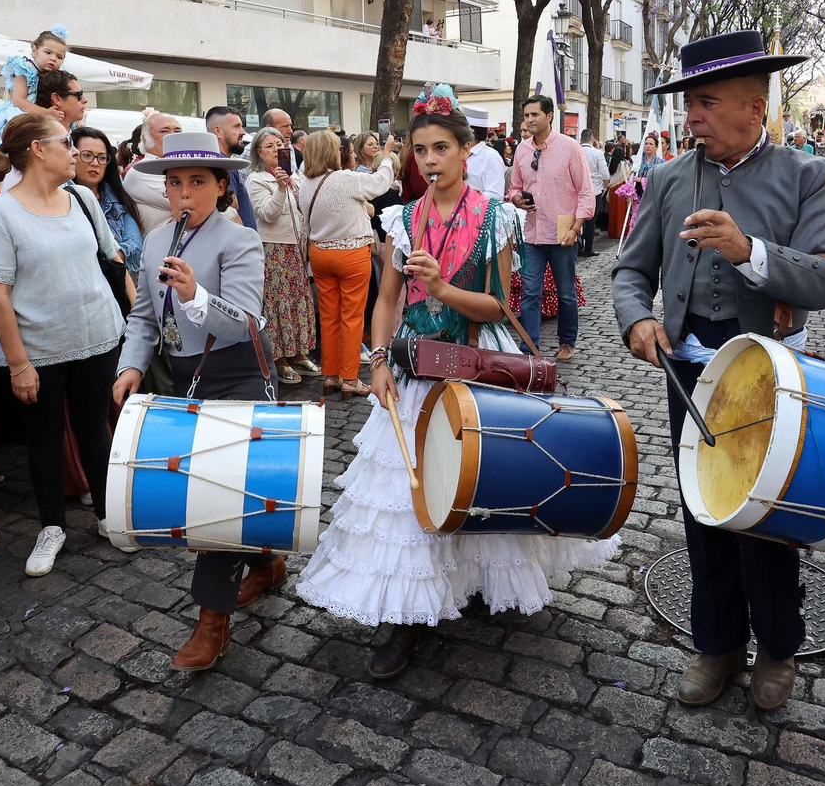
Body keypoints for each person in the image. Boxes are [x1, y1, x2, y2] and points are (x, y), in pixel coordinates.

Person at [298, 85, 617, 676]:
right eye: (419, 150)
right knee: (408, 488)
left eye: (441, 147)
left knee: (475, 476)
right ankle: (403, 617)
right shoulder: (402, 217)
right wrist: (375, 361)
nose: (429, 159)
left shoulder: (496, 217)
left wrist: (444, 288)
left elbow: (503, 306)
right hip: (413, 364)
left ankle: (470, 581)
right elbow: (386, 300)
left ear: (466, 150)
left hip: (474, 363)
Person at [614, 30, 825, 711]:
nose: (692, 117)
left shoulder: (810, 176)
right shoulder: (667, 178)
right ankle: (716, 646)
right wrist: (636, 320)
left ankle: (778, 650)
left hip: (770, 382)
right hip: (687, 379)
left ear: (755, 106)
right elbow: (630, 270)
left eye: (706, 102)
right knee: (703, 516)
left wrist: (750, 251)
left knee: (768, 523)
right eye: (690, 103)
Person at [110, 132, 282, 672]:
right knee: (219, 487)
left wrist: (195, 296)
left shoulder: (240, 241)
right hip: (182, 377)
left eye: (196, 182)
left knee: (221, 495)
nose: (184, 192)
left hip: (236, 374)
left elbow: (246, 323)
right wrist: (131, 365)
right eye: (175, 182)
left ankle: (212, 622)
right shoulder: (157, 240)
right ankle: (267, 563)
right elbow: (143, 316)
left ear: (221, 185)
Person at [0, 114, 127, 576]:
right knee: (42, 440)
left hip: (97, 334)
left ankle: (105, 516)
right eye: (66, 142)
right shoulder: (1, 212)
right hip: (38, 346)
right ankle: (52, 527)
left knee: (95, 431)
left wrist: (136, 318)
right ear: (39, 150)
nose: (75, 151)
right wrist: (18, 364)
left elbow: (111, 257)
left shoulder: (80, 197)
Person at [300, 129, 396, 395]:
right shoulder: (344, 178)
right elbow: (380, 184)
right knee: (352, 318)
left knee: (329, 317)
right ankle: (350, 378)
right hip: (351, 254)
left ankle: (330, 374)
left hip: (320, 254)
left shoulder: (304, 183)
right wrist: (387, 156)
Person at [507, 95, 590, 362]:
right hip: (532, 234)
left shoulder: (570, 147)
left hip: (563, 233)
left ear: (549, 116)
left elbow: (586, 193)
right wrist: (517, 198)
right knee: (531, 291)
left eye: (535, 115)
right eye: (526, 115)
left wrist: (576, 229)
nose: (529, 120)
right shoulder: (521, 150)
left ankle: (567, 341)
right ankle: (529, 344)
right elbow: (514, 189)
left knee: (566, 292)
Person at [245, 127, 318, 383]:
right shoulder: (255, 179)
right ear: (258, 152)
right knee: (278, 304)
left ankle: (299, 352)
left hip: (297, 246)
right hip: (274, 247)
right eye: (269, 145)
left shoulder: (294, 176)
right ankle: (280, 359)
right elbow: (266, 214)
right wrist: (279, 187)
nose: (277, 149)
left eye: (279, 144)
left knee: (298, 300)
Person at [71, 126, 143, 275]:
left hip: (119, 283)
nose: (95, 163)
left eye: (102, 157)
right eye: (87, 155)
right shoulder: (62, 199)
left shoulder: (119, 199)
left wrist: (103, 259)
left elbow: (134, 246)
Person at [0, 25, 69, 143]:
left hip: (40, 117)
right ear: (34, 50)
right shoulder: (26, 70)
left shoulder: (56, 77)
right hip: (21, 113)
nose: (53, 59)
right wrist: (47, 112)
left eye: (59, 57)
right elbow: (19, 101)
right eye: (48, 52)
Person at [122, 111, 185, 231]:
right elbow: (195, 203)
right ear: (145, 139)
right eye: (164, 131)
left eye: (177, 131)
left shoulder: (181, 166)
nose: (173, 136)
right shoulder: (141, 171)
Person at [205, 105, 257, 229]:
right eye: (236, 126)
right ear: (218, 131)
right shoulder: (224, 166)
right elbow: (230, 213)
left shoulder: (215, 163)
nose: (243, 132)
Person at [462, 105, 505, 199]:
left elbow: (495, 195)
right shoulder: (458, 152)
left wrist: (464, 199)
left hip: (477, 212)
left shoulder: (490, 156)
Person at [579, 129, 608, 257]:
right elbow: (604, 173)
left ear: (581, 139)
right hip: (594, 190)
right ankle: (588, 248)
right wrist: (605, 186)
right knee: (591, 220)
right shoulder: (597, 153)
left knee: (577, 219)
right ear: (592, 140)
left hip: (578, 191)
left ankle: (578, 246)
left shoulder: (576, 151)